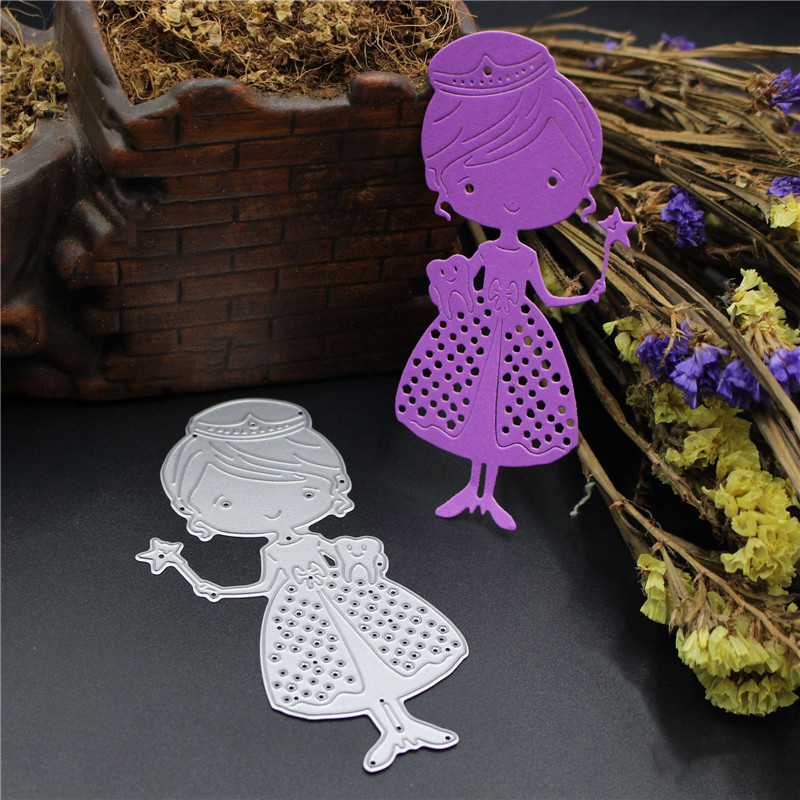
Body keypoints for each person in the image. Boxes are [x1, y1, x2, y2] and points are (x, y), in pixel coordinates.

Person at [138, 398, 468, 773]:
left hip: (354, 601)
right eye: (226, 503)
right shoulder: (273, 552)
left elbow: (347, 554)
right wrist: (215, 587)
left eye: (305, 492)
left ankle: (406, 725)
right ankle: (392, 731)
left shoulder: (314, 540)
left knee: (384, 654)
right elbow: (265, 586)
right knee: (344, 671)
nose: (272, 510)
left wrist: (360, 558)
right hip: (305, 618)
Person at [396, 30, 628, 530]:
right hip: (473, 333)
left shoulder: (525, 256)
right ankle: (470, 488)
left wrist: (586, 293)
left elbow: (542, 296)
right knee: (467, 404)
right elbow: (460, 279)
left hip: (519, 337)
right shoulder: (485, 251)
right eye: (473, 183)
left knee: (504, 411)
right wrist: (451, 290)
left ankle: (487, 494)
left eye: (550, 180)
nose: (512, 199)